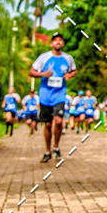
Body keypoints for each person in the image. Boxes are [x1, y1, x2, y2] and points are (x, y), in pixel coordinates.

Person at [30, 33, 77, 162]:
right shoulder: (44, 57)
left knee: (58, 121)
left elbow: (74, 70)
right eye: (55, 40)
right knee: (48, 124)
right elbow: (31, 72)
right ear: (51, 43)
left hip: (59, 94)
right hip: (45, 95)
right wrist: (42, 74)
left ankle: (56, 146)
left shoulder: (68, 58)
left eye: (60, 40)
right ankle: (47, 151)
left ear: (63, 43)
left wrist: (69, 76)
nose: (58, 42)